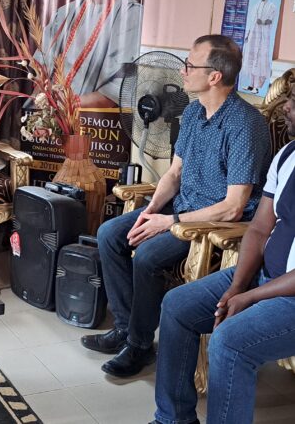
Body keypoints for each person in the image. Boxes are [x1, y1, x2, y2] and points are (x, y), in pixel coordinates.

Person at [81, 34, 271, 378]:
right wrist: (152, 210)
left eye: (190, 64)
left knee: (150, 256)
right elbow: (175, 171)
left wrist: (169, 223)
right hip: (181, 208)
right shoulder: (196, 110)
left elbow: (233, 205)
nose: (182, 71)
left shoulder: (245, 124)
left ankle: (140, 347)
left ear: (214, 76)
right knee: (110, 233)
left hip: (212, 224)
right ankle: (126, 330)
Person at [150, 81, 295, 424]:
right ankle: (173, 419)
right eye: (288, 97)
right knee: (178, 306)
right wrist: (237, 286)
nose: (286, 107)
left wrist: (251, 296)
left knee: (229, 342)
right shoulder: (288, 154)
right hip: (265, 277)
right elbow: (260, 228)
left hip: (287, 295)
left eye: (294, 100)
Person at [242, 0, 277, 94]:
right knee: (252, 60)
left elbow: (271, 20)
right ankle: (251, 85)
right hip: (254, 35)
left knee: (260, 61)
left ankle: (257, 86)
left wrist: (266, 22)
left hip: (263, 37)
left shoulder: (271, 6)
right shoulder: (256, 5)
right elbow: (251, 20)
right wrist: (247, 36)